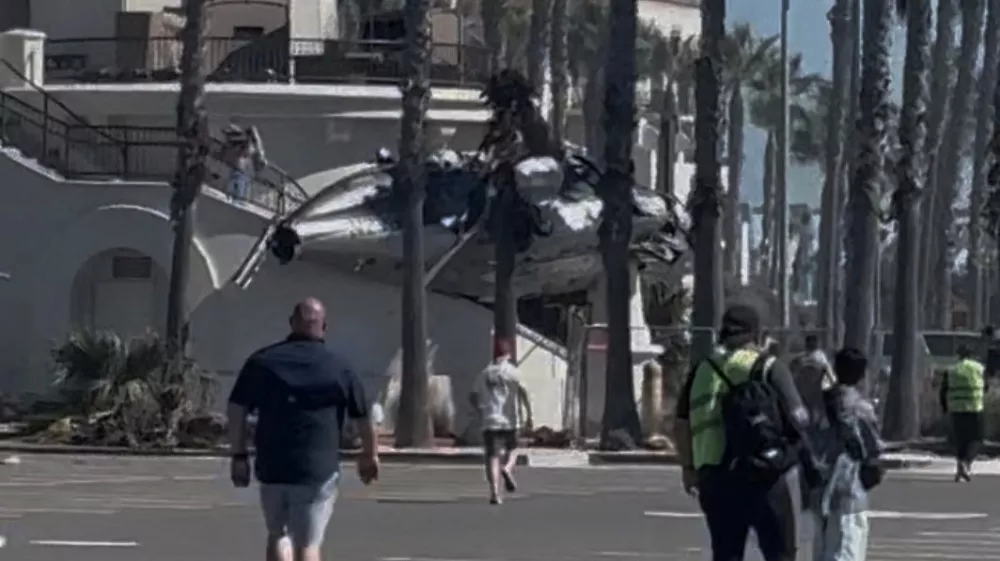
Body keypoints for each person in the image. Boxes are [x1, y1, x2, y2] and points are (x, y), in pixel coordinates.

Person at [227, 298, 379, 561]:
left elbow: (237, 408)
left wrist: (239, 455)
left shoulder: (263, 362)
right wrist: (370, 454)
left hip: (272, 465)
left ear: (291, 324)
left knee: (278, 534)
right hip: (317, 469)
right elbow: (362, 416)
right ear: (324, 327)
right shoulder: (338, 366)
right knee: (307, 544)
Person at [674, 303, 820, 561]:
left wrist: (688, 469)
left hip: (714, 477)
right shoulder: (768, 366)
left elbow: (682, 423)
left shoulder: (701, 370)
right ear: (757, 334)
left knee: (726, 554)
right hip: (764, 474)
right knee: (780, 554)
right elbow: (799, 417)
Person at [811, 347, 883, 561]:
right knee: (846, 548)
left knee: (822, 549)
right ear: (862, 375)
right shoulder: (860, 408)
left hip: (818, 484)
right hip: (849, 486)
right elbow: (872, 448)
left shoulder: (818, 403)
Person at [469, 337, 530, 505]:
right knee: (513, 448)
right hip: (509, 419)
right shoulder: (513, 372)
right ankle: (508, 467)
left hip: (490, 419)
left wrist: (481, 410)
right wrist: (528, 414)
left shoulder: (484, 373)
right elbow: (524, 392)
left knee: (492, 456)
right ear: (508, 354)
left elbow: (472, 395)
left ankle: (495, 492)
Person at [939, 344, 986, 482]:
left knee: (960, 439)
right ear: (971, 355)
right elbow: (986, 386)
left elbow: (943, 391)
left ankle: (960, 464)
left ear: (958, 355)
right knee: (976, 439)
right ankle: (966, 463)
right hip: (975, 408)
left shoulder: (952, 370)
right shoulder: (979, 368)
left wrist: (944, 408)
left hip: (956, 409)